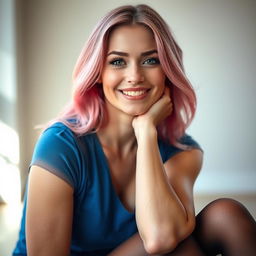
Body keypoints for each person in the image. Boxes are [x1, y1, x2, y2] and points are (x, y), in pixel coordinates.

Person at [13, 4, 256, 256]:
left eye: (151, 60)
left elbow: (160, 237)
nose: (135, 76)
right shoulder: (60, 145)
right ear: (98, 72)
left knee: (225, 215)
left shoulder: (182, 151)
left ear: (167, 71)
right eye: (117, 61)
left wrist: (146, 132)